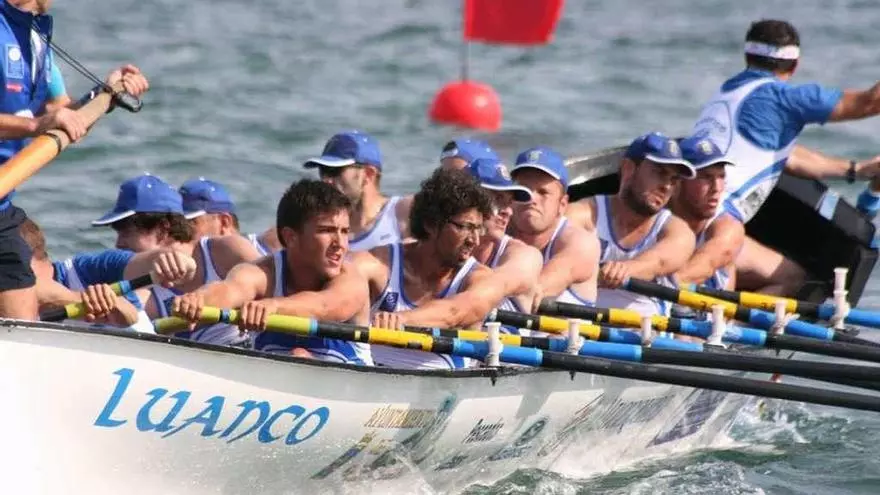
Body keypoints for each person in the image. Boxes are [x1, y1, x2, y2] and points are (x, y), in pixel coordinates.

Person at [691, 19, 880, 296]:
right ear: (795, 65)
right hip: (715, 225)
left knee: (786, 274)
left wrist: (857, 169)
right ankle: (724, 322)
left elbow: (788, 157)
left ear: (748, 57)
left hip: (690, 215)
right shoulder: (782, 99)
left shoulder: (728, 92)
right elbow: (871, 102)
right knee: (793, 280)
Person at [0, 0, 149, 319]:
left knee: (22, 327)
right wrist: (34, 126)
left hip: (2, 207)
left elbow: (63, 116)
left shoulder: (35, 35)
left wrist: (105, 95)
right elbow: (41, 123)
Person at [172, 179, 372, 366]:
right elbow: (230, 289)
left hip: (350, 386)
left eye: (344, 231)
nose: (340, 244)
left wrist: (274, 306)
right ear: (290, 237)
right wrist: (198, 300)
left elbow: (324, 306)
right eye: (326, 230)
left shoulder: (351, 280)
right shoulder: (262, 273)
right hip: (277, 380)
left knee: (299, 355)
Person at [361, 160, 544, 334]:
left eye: (508, 202)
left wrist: (400, 319)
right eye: (495, 199)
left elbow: (458, 310)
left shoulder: (516, 258)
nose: (506, 210)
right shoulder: (385, 260)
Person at [93, 173, 263, 345]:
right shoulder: (143, 290)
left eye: (126, 232)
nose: (119, 243)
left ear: (162, 228)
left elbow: (274, 285)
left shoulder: (226, 250)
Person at [356, 168, 500, 369]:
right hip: (373, 375)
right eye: (465, 227)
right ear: (431, 224)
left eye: (478, 229)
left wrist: (401, 319)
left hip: (447, 383)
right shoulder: (378, 263)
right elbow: (336, 296)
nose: (474, 240)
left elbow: (454, 312)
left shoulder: (480, 279)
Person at [565, 133, 696, 316]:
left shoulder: (676, 231)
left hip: (646, 330)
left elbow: (658, 262)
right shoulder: (585, 214)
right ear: (628, 169)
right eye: (660, 173)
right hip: (581, 326)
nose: (666, 186)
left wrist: (623, 270)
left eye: (673, 180)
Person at [507, 146, 600, 311]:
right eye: (523, 190)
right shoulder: (496, 232)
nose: (531, 199)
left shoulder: (581, 243)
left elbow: (535, 290)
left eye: (543, 192)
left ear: (562, 205)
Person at [670, 137, 745, 291]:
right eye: (706, 177)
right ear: (678, 181)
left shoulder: (728, 226)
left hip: (712, 307)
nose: (716, 188)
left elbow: (704, 266)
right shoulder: (655, 216)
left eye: (721, 176)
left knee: (790, 277)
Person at [179, 177, 272, 255]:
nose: (178, 234)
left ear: (224, 223)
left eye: (189, 224)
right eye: (176, 225)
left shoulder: (266, 250)